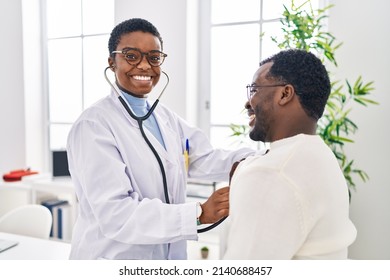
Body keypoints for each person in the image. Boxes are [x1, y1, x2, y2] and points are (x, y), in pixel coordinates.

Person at [66, 18, 254, 260]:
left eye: (154, 57)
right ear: (112, 62)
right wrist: (198, 213)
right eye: (132, 56)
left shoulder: (165, 118)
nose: (145, 66)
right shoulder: (93, 126)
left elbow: (203, 159)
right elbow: (116, 214)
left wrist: (258, 159)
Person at [221, 49, 357, 259]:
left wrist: (245, 178)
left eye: (255, 89)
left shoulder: (270, 173)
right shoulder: (321, 156)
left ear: (285, 94)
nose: (248, 102)